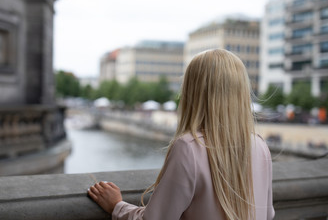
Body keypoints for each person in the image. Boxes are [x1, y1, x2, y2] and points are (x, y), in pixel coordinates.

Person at [88, 49, 275, 220]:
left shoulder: (189, 147)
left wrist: (117, 205)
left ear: (191, 92)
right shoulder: (259, 146)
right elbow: (267, 214)